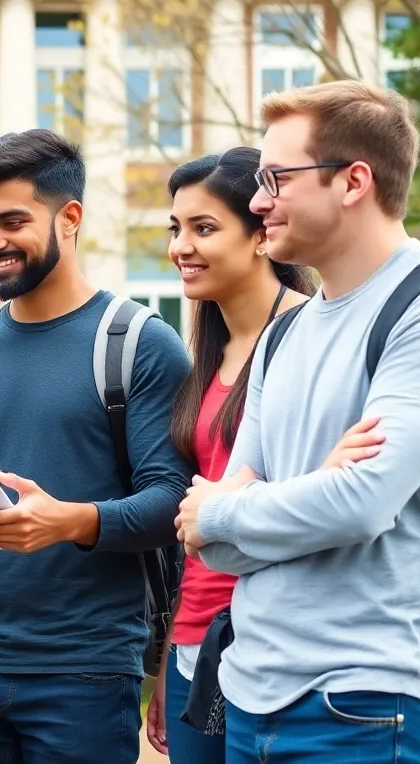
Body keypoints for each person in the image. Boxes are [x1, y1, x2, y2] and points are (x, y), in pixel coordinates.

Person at [0, 129, 192, 763]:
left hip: (84, 673)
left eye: (12, 222)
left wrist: (70, 521)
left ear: (70, 218)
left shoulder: (138, 343)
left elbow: (173, 502)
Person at [176, 80, 420, 763]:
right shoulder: (281, 335)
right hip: (248, 698)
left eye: (277, 179)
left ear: (354, 182)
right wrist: (311, 491)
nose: (258, 202)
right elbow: (212, 548)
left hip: (362, 706)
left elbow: (361, 504)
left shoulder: (411, 308)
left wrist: (227, 508)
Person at [143, 148, 314, 762]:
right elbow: (193, 524)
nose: (180, 247)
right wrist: (171, 653)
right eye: (176, 228)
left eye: (204, 227)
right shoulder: (207, 353)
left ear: (261, 234)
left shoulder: (310, 337)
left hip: (274, 643)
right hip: (197, 640)